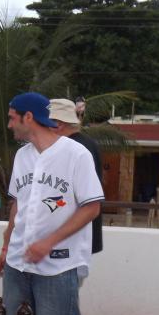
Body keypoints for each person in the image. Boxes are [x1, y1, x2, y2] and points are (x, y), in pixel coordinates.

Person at [0, 93, 104, 315]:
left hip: (58, 268)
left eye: (12, 118)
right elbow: (18, 204)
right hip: (17, 265)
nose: (9, 125)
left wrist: (48, 243)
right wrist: (6, 246)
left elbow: (91, 207)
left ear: (28, 117)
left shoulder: (77, 155)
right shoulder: (22, 156)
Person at [49, 98, 104, 263]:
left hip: (73, 234)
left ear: (58, 124)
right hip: (82, 233)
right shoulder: (89, 144)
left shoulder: (71, 149)